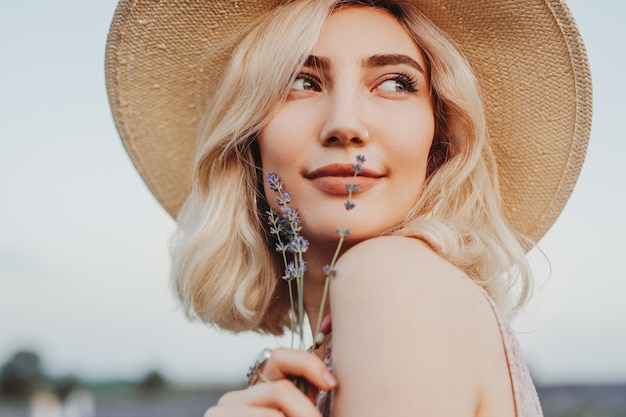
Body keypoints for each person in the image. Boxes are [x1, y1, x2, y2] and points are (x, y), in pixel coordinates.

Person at [105, 0, 592, 416]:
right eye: (301, 81)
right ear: (248, 141)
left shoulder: (393, 277)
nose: (344, 124)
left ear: (439, 140)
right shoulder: (369, 318)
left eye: (396, 83)